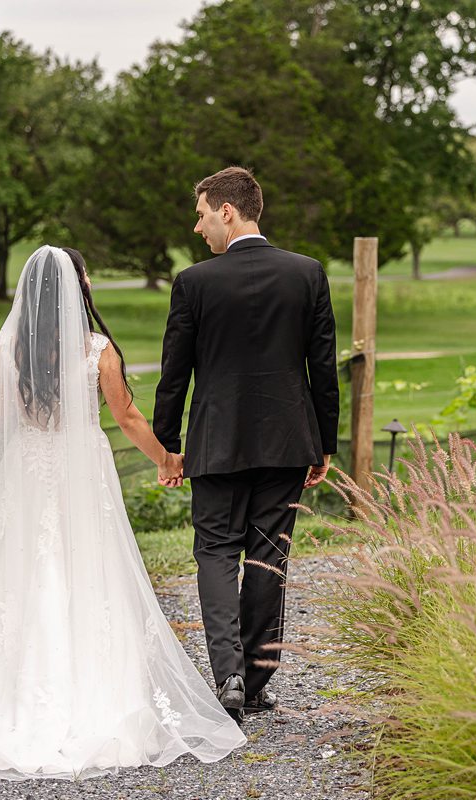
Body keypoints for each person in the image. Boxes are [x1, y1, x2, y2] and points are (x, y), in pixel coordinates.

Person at [0, 245, 245, 780]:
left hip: (26, 470)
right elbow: (125, 416)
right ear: (77, 287)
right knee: (86, 569)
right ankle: (95, 690)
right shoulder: (97, 349)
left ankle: (2, 692)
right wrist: (169, 459)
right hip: (79, 469)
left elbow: (0, 410)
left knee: (19, 572)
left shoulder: (8, 348)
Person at [153, 166, 340, 723]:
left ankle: (228, 674)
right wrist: (323, 442)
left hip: (215, 444)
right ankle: (257, 683)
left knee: (215, 552)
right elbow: (322, 367)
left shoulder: (194, 283)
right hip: (288, 441)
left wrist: (168, 444)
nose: (198, 226)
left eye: (204, 214)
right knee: (267, 557)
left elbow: (174, 374)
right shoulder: (307, 274)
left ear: (228, 212)